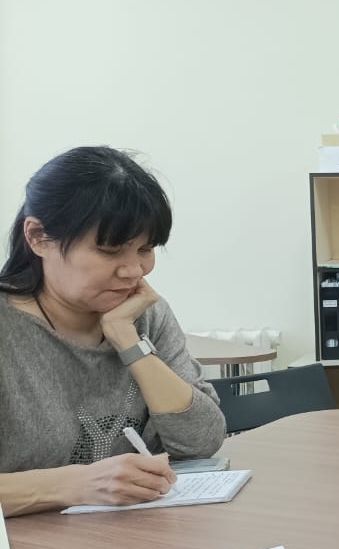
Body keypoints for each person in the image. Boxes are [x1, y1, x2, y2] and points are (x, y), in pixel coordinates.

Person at [0, 147, 226, 517]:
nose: (134, 271)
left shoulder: (144, 315)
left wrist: (127, 340)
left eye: (146, 249)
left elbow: (201, 441)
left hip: (137, 537)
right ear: (38, 237)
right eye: (110, 251)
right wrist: (73, 485)